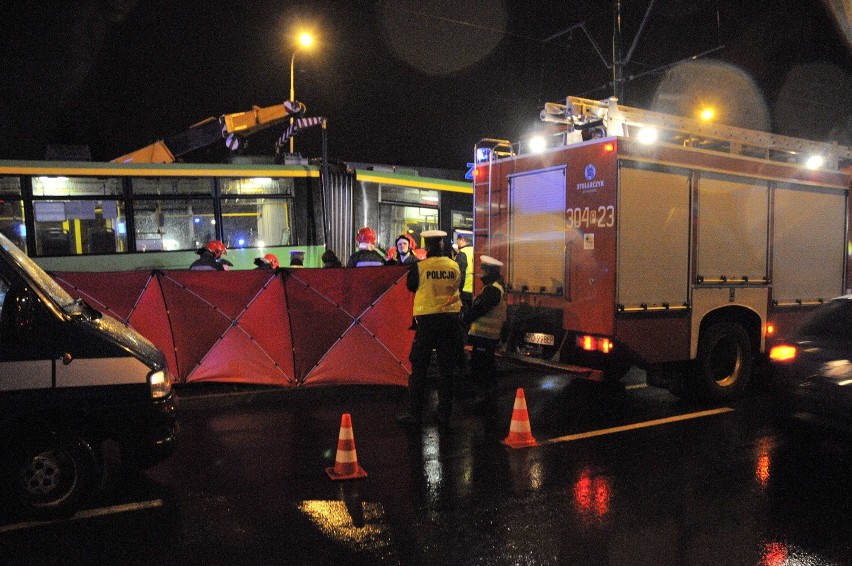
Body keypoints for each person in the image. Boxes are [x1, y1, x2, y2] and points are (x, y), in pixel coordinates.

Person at [397, 229, 463, 430]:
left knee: (419, 368)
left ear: (427, 247)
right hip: (450, 322)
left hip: (427, 323)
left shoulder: (421, 266)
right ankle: (444, 414)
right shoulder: (455, 266)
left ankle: (414, 414)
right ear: (443, 246)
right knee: (446, 370)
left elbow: (411, 286)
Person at [462, 255, 507, 419]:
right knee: (485, 365)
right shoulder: (493, 287)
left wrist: (464, 319)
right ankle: (488, 395)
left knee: (482, 367)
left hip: (485, 336)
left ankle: (486, 396)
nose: (481, 273)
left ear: (490, 271)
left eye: (483, 270)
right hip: (485, 336)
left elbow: (479, 310)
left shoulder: (492, 290)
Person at [455, 234, 474, 318]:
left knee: (463, 316)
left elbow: (460, 273)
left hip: (464, 290)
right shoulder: (475, 250)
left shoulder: (462, 253)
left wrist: (458, 290)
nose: (457, 242)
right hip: (474, 289)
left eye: (457, 240)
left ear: (462, 240)